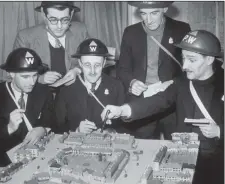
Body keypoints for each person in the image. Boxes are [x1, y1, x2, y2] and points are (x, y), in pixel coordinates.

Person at [102, 30, 224, 184]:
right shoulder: (181, 83)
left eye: (192, 60)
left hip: (215, 162)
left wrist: (220, 131)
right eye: (183, 58)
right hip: (183, 157)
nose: (185, 66)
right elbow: (158, 101)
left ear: (209, 59)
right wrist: (123, 110)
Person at [117, 1, 191, 139]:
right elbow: (122, 68)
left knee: (175, 148)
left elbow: (189, 68)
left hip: (172, 101)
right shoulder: (130, 32)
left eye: (154, 13)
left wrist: (173, 83)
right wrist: (132, 82)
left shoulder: (181, 29)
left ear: (165, 8)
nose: (148, 20)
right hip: (142, 101)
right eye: (143, 14)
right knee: (143, 148)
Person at [0, 48, 54, 167]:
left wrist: (42, 129)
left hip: (40, 157)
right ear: (11, 73)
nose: (32, 82)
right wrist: (9, 128)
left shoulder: (44, 91)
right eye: (25, 77)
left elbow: (52, 121)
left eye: (35, 76)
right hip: (7, 162)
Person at [55, 38, 127, 134]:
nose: (92, 71)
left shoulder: (117, 87)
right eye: (87, 65)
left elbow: (125, 124)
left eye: (97, 65)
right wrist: (76, 131)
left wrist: (112, 131)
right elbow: (57, 126)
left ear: (104, 63)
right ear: (80, 63)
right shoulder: (67, 88)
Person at [13, 1, 89, 87]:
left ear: (71, 14)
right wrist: (39, 78)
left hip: (73, 90)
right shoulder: (25, 37)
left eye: (65, 19)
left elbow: (91, 60)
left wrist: (77, 70)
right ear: (43, 14)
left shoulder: (80, 31)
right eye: (53, 19)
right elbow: (14, 72)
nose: (59, 26)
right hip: (38, 92)